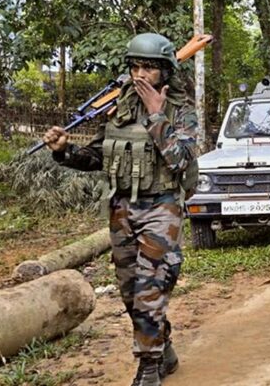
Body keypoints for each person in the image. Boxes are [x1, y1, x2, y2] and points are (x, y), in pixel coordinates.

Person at [43, 33, 199, 386]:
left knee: (150, 289)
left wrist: (158, 115)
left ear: (165, 71)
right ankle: (164, 346)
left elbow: (178, 160)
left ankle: (148, 367)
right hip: (122, 210)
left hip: (163, 208)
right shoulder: (121, 107)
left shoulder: (180, 109)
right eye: (135, 67)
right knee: (131, 293)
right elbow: (99, 156)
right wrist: (63, 150)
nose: (141, 74)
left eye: (149, 67)